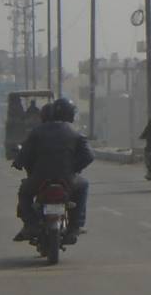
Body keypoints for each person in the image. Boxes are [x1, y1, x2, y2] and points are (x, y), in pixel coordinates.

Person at [12, 98, 92, 244]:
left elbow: (24, 154)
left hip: (39, 179)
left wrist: (17, 163)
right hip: (68, 179)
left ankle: (31, 224)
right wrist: (74, 168)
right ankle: (75, 226)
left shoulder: (37, 131)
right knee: (84, 186)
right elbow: (88, 156)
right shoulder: (75, 132)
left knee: (24, 192)